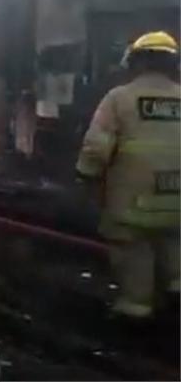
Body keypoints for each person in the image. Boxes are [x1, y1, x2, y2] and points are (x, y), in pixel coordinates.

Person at [76, 31, 180, 321]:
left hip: (133, 205)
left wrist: (86, 175)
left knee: (134, 253)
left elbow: (96, 148)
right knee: (175, 245)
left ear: (136, 62)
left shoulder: (120, 98)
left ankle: (135, 312)